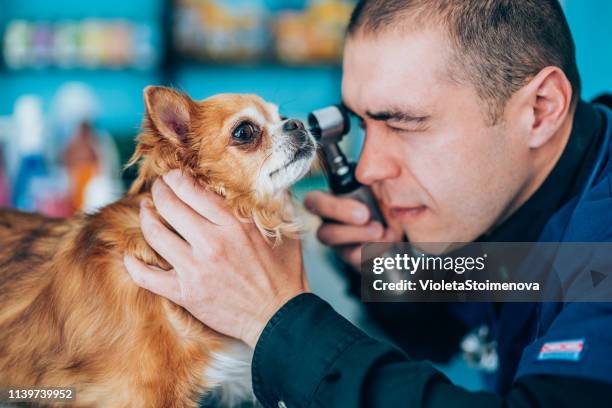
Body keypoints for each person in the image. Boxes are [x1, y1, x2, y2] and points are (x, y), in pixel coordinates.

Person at [124, 0, 612, 406]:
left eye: (403, 124)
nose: (367, 168)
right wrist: (392, 277)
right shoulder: (514, 199)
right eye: (361, 123)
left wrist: (275, 319)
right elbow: (469, 323)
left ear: (541, 108)